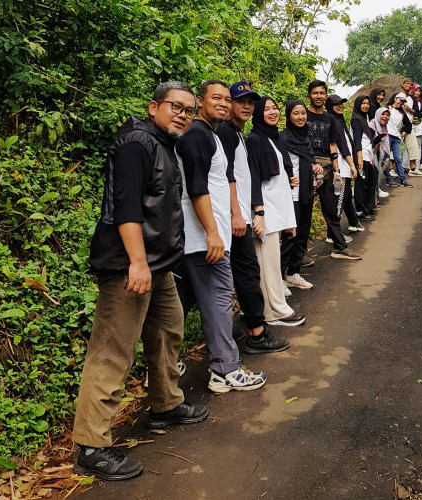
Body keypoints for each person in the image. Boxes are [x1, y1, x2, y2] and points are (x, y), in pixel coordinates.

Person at [72, 81, 207, 481]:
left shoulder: (166, 144)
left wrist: (154, 262)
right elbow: (125, 207)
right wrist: (136, 263)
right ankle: (92, 447)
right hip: (128, 265)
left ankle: (165, 405)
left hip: (157, 263)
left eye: (188, 109)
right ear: (154, 106)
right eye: (175, 107)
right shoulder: (136, 143)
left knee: (168, 330)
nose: (182, 114)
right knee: (113, 350)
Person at [176, 80, 267, 393]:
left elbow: (219, 182)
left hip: (209, 237)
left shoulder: (209, 134)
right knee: (219, 300)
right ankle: (225, 369)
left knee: (182, 302)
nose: (225, 104)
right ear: (200, 101)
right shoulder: (197, 135)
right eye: (217, 98)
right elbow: (196, 187)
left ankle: (165, 362)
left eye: (227, 99)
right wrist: (213, 233)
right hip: (205, 239)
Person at [216, 81, 290, 353]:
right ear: (229, 104)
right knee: (247, 273)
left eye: (251, 102)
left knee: (246, 273)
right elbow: (227, 176)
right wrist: (238, 214)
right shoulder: (225, 132)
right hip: (234, 219)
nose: (247, 106)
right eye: (241, 101)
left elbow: (247, 178)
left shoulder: (236, 133)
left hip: (243, 215)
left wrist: (255, 210)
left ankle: (254, 330)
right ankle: (256, 334)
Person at [245, 96, 306, 327]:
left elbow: (278, 176)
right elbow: (251, 178)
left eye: (275, 108)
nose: (272, 112)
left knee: (270, 262)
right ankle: (276, 312)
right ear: (258, 113)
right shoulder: (254, 139)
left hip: (277, 210)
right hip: (265, 212)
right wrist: (258, 213)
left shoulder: (274, 138)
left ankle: (270, 311)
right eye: (266, 109)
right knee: (267, 265)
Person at [306, 80, 361, 260]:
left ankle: (339, 247)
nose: (319, 96)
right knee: (303, 211)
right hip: (306, 168)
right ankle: (297, 258)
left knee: (331, 208)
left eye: (322, 93)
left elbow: (332, 145)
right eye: (315, 93)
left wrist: (337, 170)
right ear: (309, 96)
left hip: (328, 168)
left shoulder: (329, 119)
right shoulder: (302, 115)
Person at [280, 100, 323, 289]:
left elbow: (310, 160)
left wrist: (316, 166)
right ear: (289, 116)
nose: (300, 117)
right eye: (296, 113)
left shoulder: (306, 139)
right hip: (289, 195)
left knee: (302, 235)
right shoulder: (281, 138)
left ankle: (293, 273)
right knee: (289, 237)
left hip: (306, 192)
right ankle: (279, 278)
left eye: (303, 113)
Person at [326, 94, 362, 233]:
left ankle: (352, 223)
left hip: (344, 166)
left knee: (345, 197)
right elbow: (342, 147)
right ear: (330, 106)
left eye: (341, 103)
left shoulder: (339, 121)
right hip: (340, 166)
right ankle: (333, 234)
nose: (340, 106)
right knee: (339, 201)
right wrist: (352, 165)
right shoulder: (333, 122)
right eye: (336, 104)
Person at [350, 95, 380, 220]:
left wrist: (372, 154)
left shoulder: (365, 117)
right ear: (358, 104)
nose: (366, 106)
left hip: (368, 154)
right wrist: (359, 157)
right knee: (361, 184)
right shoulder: (356, 119)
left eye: (367, 103)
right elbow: (357, 140)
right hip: (361, 155)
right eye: (363, 103)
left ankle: (367, 207)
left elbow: (367, 139)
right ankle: (360, 211)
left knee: (371, 180)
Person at [398, 78, 422, 178]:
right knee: (394, 147)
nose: (409, 85)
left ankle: (413, 169)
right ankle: (390, 170)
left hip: (409, 125)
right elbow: (390, 108)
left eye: (411, 84)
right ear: (402, 85)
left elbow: (416, 112)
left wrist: (409, 109)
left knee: (413, 146)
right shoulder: (396, 96)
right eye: (407, 83)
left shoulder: (412, 99)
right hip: (398, 125)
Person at [387, 93, 413, 188]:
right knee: (386, 158)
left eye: (403, 102)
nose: (401, 103)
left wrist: (402, 133)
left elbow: (408, 125)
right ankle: (388, 179)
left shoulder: (402, 113)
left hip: (396, 138)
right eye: (400, 100)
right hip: (388, 136)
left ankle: (403, 180)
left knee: (398, 159)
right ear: (395, 99)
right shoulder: (388, 109)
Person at [370, 107, 394, 190]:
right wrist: (378, 138)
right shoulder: (372, 125)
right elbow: (369, 143)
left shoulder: (384, 128)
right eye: (383, 114)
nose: (385, 117)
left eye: (387, 115)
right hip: (370, 153)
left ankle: (377, 192)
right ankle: (375, 193)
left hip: (378, 153)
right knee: (373, 174)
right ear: (378, 115)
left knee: (377, 172)